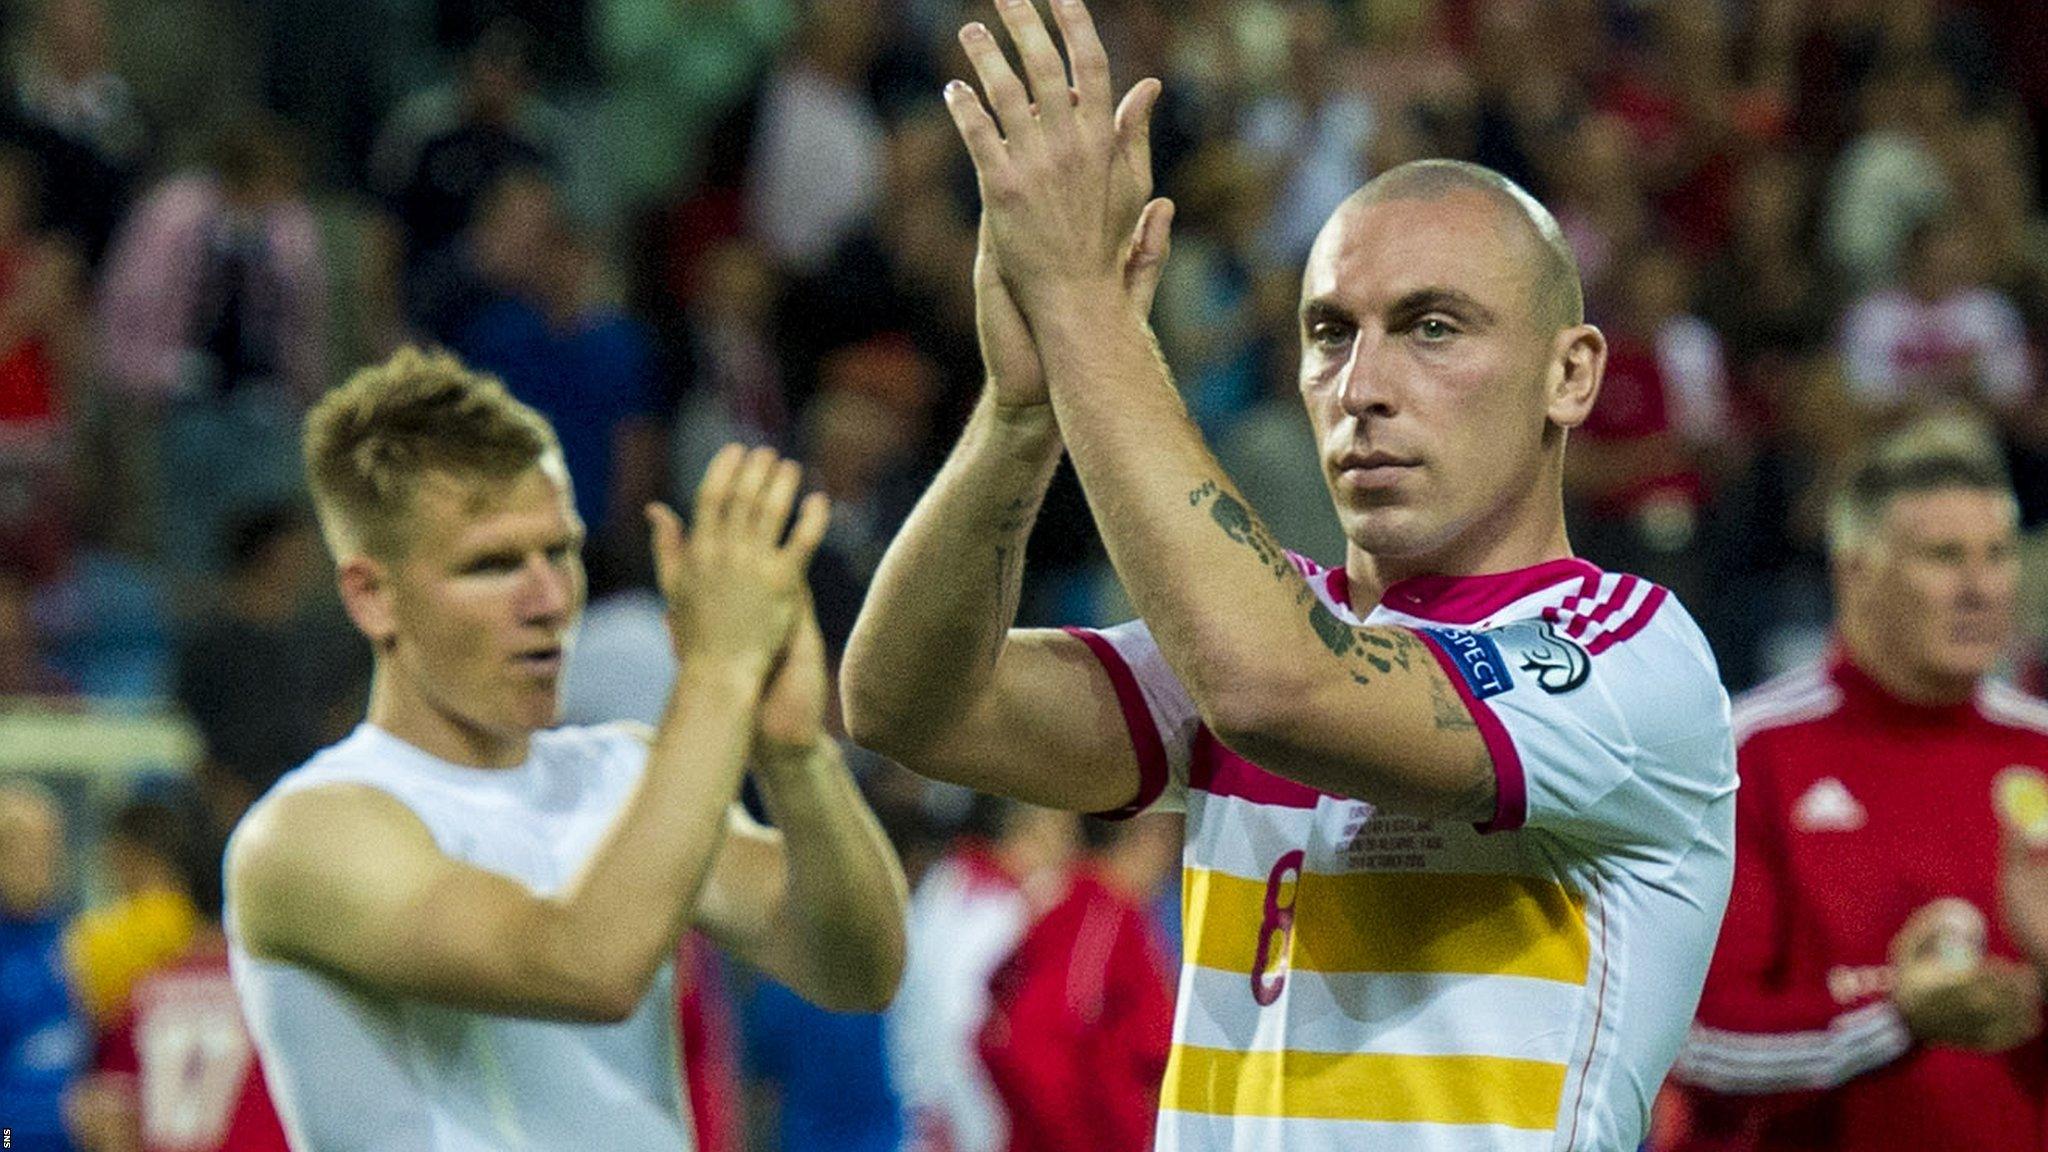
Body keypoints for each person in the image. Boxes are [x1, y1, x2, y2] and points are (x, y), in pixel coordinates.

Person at [840, 4, 1737, 1149]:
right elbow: (909, 704)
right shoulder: (1256, 635)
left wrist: (1082, 313)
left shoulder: (1627, 657)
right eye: (1328, 332)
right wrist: (1024, 412)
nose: (1362, 383)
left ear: (1569, 375)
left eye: (1430, 327)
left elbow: (1280, 688)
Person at [223, 347, 908, 1150]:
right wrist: (718, 672)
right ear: (372, 596)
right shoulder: (305, 835)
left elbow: (858, 971)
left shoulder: (623, 773)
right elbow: (585, 965)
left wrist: (796, 757)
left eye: (560, 552)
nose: (548, 601)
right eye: (493, 565)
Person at [1666, 417, 2048, 1152]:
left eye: (1997, 555)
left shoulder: (2039, 746)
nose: (1979, 587)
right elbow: (1693, 1040)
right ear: (1856, 570)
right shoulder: (1750, 752)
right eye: (1943, 556)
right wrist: (1896, 1018)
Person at [1, 779, 88, 1152]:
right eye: (19, 845)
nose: (39, 860)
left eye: (49, 843)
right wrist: (57, 1118)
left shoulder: (75, 941)